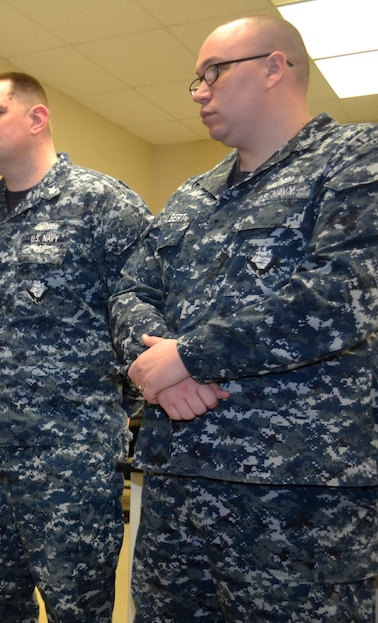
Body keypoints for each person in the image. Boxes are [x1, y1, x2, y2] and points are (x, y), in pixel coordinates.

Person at [109, 15, 378, 622]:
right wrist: (152, 368)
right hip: (177, 480)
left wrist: (187, 357)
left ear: (274, 67)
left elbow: (340, 295)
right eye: (195, 80)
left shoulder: (356, 159)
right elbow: (130, 290)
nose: (199, 91)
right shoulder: (190, 197)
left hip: (299, 492)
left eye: (213, 73)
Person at [0, 72, 151, 622]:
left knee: (77, 610)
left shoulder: (103, 204)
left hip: (69, 464)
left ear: (36, 119)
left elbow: (147, 319)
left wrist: (107, 425)